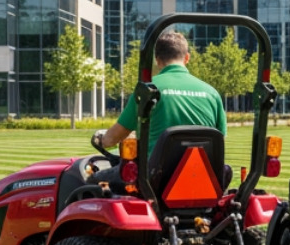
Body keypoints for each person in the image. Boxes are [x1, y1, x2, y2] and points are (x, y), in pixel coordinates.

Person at [95, 29, 225, 155]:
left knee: (95, 174)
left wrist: (100, 139)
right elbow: (220, 139)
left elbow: (112, 138)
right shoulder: (212, 94)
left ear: (157, 60)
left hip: (157, 175)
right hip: (204, 173)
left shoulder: (147, 90)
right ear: (187, 58)